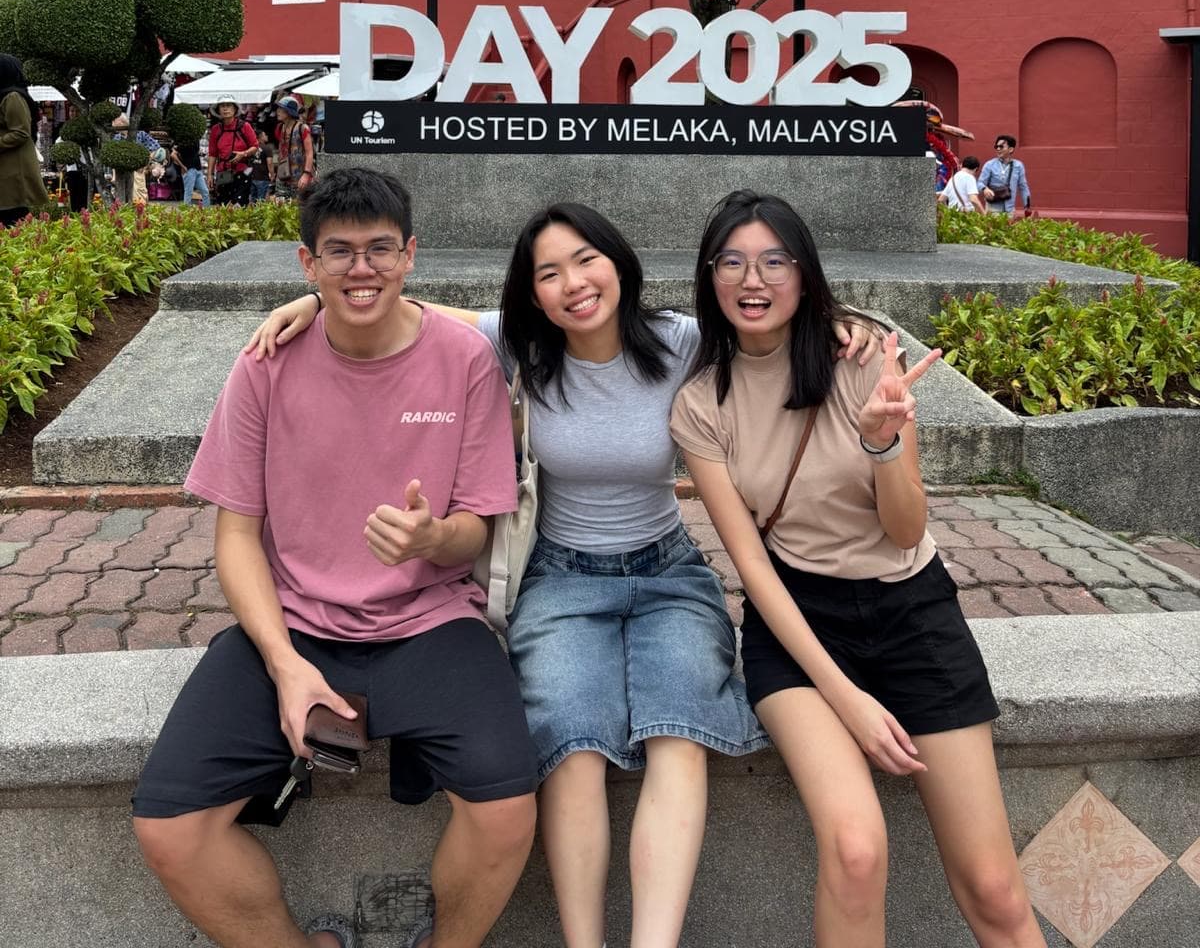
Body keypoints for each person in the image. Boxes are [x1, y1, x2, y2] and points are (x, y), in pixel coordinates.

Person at [247, 202, 884, 948]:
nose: (573, 284)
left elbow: (762, 320)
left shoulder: (680, 343)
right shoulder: (524, 346)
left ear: (618, 264)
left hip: (669, 574)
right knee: (572, 744)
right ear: (533, 293)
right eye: (549, 273)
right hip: (561, 578)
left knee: (678, 734)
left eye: (587, 261)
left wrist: (845, 323)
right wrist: (312, 302)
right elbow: (412, 311)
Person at [133, 167, 537, 948]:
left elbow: (477, 530)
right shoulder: (265, 363)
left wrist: (432, 539)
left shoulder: (464, 361)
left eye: (380, 249)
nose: (362, 269)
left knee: (506, 809)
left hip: (430, 623)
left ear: (410, 254)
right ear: (307, 264)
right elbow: (236, 536)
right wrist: (284, 665)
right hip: (295, 625)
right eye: (340, 252)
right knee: (170, 829)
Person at [670, 190, 1047, 948]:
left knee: (995, 890)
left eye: (774, 261)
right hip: (798, 626)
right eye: (731, 262)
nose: (752, 279)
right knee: (856, 850)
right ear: (710, 277)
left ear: (804, 273)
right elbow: (753, 569)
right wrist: (849, 700)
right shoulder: (700, 405)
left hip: (911, 611)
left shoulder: (865, 357)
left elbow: (906, 529)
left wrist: (882, 442)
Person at [0, 54, 50, 226]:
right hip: (7, 168)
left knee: (13, 219)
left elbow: (21, 132)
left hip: (14, 171)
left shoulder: (12, 97)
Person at [207, 96, 259, 206]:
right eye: (222, 106)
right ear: (218, 110)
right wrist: (210, 175)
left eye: (228, 106)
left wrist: (243, 154)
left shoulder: (245, 126)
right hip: (223, 172)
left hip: (243, 171)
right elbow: (212, 153)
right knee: (223, 205)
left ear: (235, 109)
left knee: (239, 205)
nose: (225, 109)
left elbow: (255, 146)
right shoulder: (216, 129)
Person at [272, 94, 315, 201]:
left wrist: (306, 174)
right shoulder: (279, 127)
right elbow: (280, 151)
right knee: (280, 206)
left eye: (281, 109)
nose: (277, 111)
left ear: (289, 112)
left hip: (300, 177)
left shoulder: (302, 128)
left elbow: (309, 153)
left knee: (299, 206)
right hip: (283, 176)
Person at [977, 135, 1032, 218]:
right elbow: (979, 183)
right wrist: (985, 189)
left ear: (1011, 149)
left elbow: (1023, 187)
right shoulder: (989, 164)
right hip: (992, 210)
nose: (998, 149)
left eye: (1001, 146)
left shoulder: (1018, 166)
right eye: (996, 147)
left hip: (1010, 211)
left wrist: (1027, 206)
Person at [171, 133, 210, 207]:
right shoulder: (183, 142)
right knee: (189, 192)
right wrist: (182, 166)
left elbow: (194, 152)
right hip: (189, 170)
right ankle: (186, 210)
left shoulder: (195, 141)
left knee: (205, 191)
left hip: (197, 169)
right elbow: (173, 155)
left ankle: (206, 210)